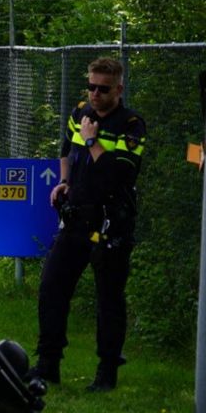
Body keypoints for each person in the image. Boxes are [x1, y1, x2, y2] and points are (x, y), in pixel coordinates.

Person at [33, 58, 147, 392]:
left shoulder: (132, 124)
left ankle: (107, 373)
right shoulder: (80, 112)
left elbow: (119, 174)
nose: (95, 94)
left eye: (103, 89)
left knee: (108, 300)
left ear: (119, 90)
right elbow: (67, 149)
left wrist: (93, 141)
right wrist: (64, 181)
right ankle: (47, 365)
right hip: (77, 217)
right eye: (91, 86)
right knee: (52, 288)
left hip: (112, 223)